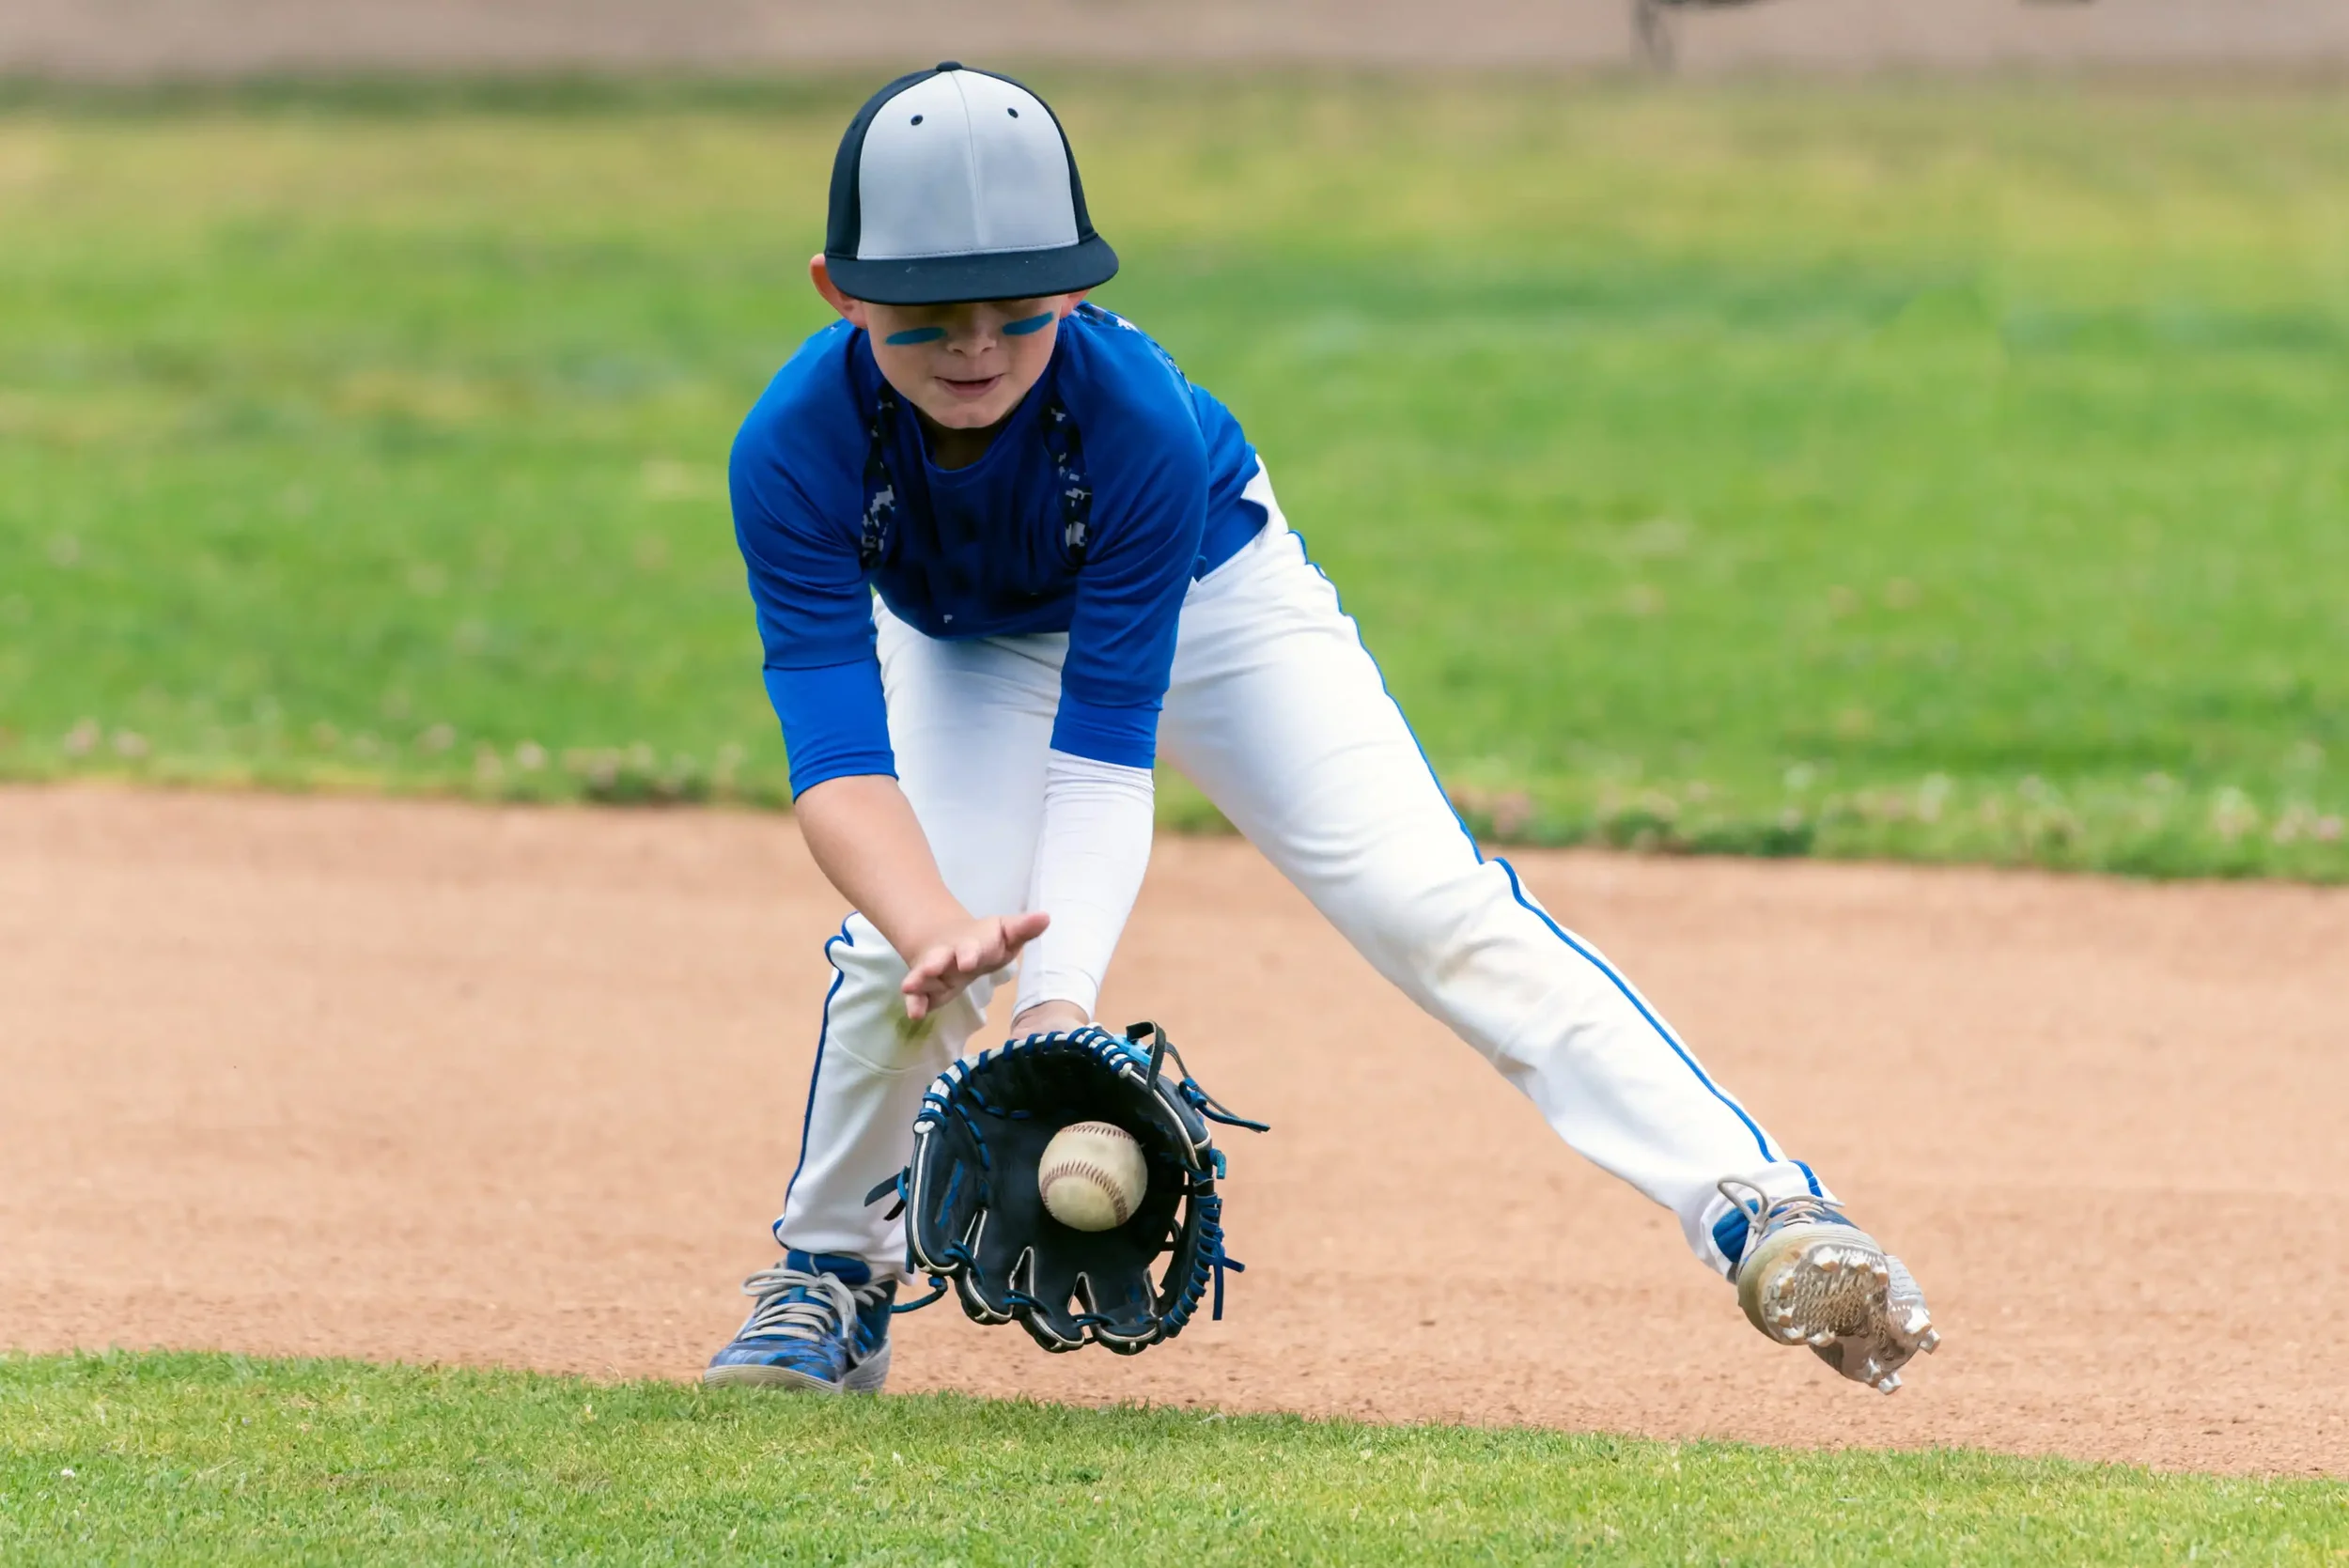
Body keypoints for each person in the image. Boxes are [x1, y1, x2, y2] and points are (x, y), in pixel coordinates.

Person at [705, 63, 1938, 1397]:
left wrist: (1056, 1007)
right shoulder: (792, 446)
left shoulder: (1133, 426)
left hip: (1210, 593)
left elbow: (1107, 752)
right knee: (898, 962)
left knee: (1428, 905)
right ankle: (829, 1275)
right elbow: (837, 764)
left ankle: (1762, 1211)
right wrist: (938, 927)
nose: (978, 346)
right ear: (840, 293)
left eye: (1023, 306)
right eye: (931, 314)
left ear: (1082, 289)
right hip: (969, 645)